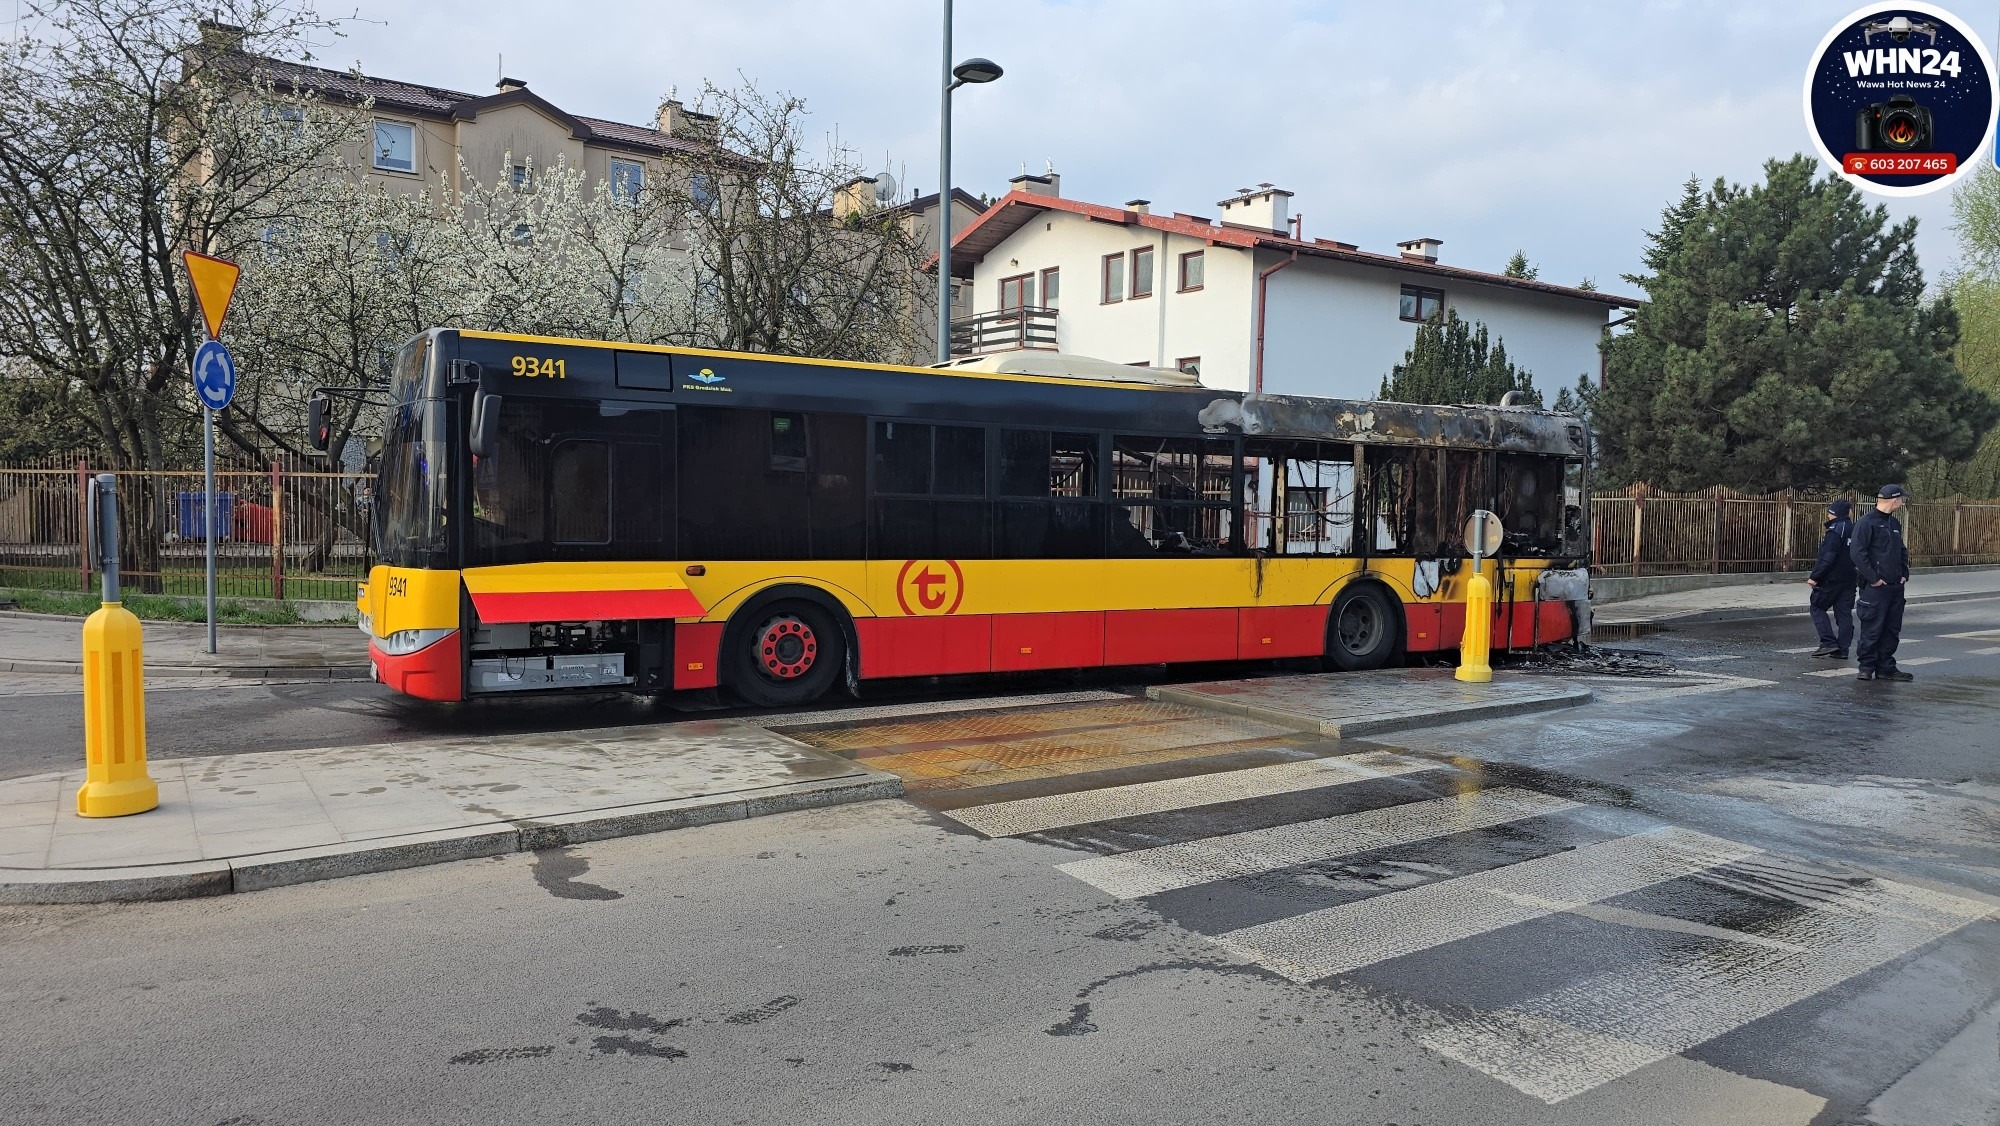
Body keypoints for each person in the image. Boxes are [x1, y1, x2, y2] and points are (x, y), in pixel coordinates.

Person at [1849, 483, 1912, 682]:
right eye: (1902, 499)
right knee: (1872, 628)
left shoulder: (1894, 524)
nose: (1903, 502)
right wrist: (1874, 579)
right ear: (1894, 500)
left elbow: (1901, 550)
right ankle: (1866, 667)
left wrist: (1904, 573)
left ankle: (1886, 668)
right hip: (1876, 589)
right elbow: (1857, 554)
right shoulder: (1866, 523)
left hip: (1895, 587)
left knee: (1892, 629)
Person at [1805, 499, 1856, 658]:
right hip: (1850, 578)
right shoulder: (1855, 529)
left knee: (1817, 606)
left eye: (1829, 512)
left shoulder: (1835, 531)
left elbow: (1828, 557)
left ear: (1833, 513)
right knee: (1844, 614)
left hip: (1831, 579)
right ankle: (1842, 650)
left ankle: (1828, 643)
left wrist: (1815, 577)